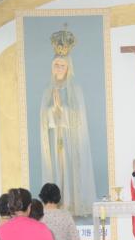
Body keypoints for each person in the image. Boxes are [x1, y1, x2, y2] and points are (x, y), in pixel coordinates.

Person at [40, 28, 96, 217]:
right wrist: (52, 110)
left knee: (70, 169)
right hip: (54, 137)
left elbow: (78, 116)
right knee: (57, 168)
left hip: (71, 139)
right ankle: (56, 204)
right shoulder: (48, 89)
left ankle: (72, 203)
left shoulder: (75, 88)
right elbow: (43, 116)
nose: (58, 68)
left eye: (62, 65)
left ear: (68, 67)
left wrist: (62, 109)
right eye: (56, 65)